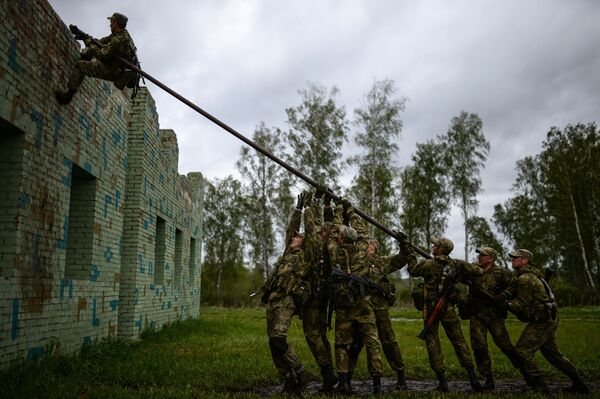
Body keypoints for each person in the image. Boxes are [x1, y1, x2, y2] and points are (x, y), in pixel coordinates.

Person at [504, 249, 589, 393]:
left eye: (515, 258)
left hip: (542, 321)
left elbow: (521, 304)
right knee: (553, 355)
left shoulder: (525, 278)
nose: (512, 260)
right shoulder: (535, 275)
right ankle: (579, 384)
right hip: (549, 317)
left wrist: (504, 303)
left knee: (523, 350)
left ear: (524, 260)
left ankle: (539, 386)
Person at [407, 237, 483, 392]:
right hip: (449, 308)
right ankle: (473, 378)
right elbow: (479, 271)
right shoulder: (457, 264)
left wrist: (409, 252)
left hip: (431, 310)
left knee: (432, 342)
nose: (433, 246)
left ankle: (442, 382)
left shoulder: (428, 264)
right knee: (459, 341)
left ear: (441, 249)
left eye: (435, 245)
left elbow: (413, 270)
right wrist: (461, 276)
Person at [263, 191, 319, 394]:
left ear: (303, 242)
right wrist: (297, 209)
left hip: (287, 300)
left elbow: (311, 233)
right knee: (272, 343)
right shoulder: (289, 251)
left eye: (298, 237)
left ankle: (301, 372)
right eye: (294, 237)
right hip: (272, 299)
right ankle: (288, 380)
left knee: (278, 339)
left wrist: (308, 210)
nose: (295, 237)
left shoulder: (307, 255)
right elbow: (290, 230)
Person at [328, 199, 383, 394]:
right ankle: (377, 383)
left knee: (342, 343)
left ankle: (344, 382)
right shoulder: (362, 252)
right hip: (363, 305)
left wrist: (338, 210)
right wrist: (349, 211)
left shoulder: (334, 252)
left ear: (342, 239)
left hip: (344, 306)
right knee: (372, 342)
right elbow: (363, 231)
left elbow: (334, 230)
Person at [347, 236, 411, 390]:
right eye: (365, 245)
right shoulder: (355, 262)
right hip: (361, 309)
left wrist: (403, 244)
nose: (367, 248)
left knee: (389, 341)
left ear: (375, 248)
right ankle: (346, 378)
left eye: (370, 245)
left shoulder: (382, 262)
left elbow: (402, 259)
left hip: (379, 308)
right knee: (355, 343)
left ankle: (400, 375)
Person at [462, 247, 523, 390]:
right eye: (479, 255)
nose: (479, 257)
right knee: (479, 346)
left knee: (506, 346)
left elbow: (514, 286)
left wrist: (503, 296)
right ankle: (488, 378)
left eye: (483, 255)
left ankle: (527, 372)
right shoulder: (473, 270)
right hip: (477, 314)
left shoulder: (501, 272)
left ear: (491, 258)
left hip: (495, 315)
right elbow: (461, 276)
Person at [56, 12, 138, 105]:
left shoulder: (118, 40)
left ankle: (67, 97)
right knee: (91, 50)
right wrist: (84, 36)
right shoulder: (122, 34)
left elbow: (102, 55)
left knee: (80, 66)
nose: (110, 24)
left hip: (116, 71)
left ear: (116, 23)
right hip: (118, 66)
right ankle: (86, 58)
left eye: (112, 22)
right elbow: (100, 42)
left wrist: (87, 42)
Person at [300, 189, 338, 391]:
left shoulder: (317, 244)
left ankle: (328, 373)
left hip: (314, 297)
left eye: (323, 229)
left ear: (323, 233)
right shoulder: (331, 245)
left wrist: (310, 205)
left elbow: (310, 225)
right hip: (324, 296)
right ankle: (330, 373)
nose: (320, 228)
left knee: (313, 335)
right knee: (322, 335)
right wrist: (326, 205)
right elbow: (328, 225)